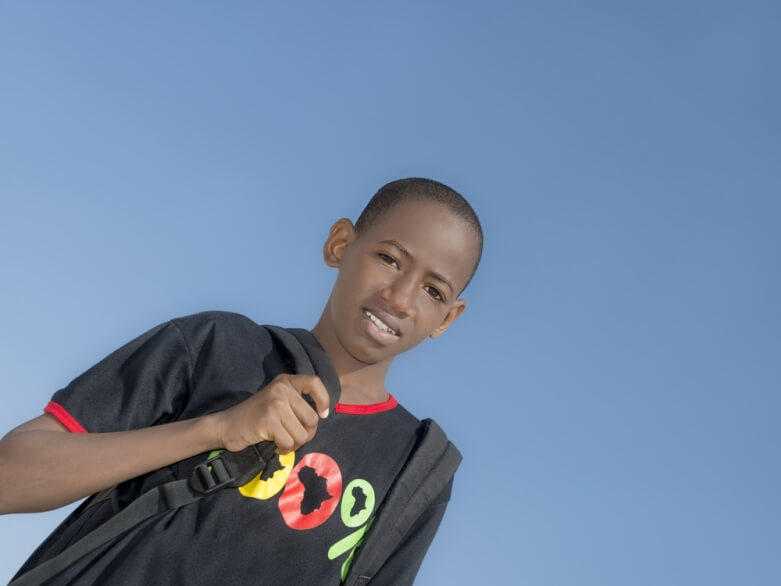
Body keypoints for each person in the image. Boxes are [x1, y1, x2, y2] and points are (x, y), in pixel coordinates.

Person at [0, 178, 483, 585]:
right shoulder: (218, 345)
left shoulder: (417, 471)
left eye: (432, 290)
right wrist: (216, 429)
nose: (400, 298)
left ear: (447, 318)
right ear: (340, 244)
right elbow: (10, 477)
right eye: (390, 259)